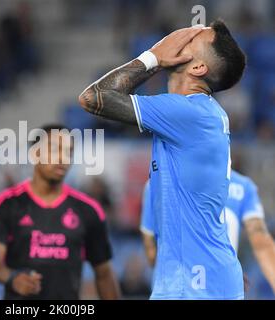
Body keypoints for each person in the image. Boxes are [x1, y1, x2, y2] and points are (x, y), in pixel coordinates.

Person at [78, 21, 246, 299]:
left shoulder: (191, 114)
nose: (181, 36)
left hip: (196, 283)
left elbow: (93, 98)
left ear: (198, 68)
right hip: (193, 278)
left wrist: (152, 57)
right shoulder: (196, 115)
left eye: (192, 38)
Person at [0, 124, 120, 300]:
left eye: (69, 151)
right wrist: (12, 278)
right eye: (55, 150)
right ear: (35, 154)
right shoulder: (5, 205)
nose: (63, 158)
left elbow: (104, 274)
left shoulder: (88, 210)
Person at [140, 170, 275, 294]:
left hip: (174, 288)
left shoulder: (157, 184)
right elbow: (262, 244)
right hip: (221, 286)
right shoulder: (243, 187)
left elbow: (151, 253)